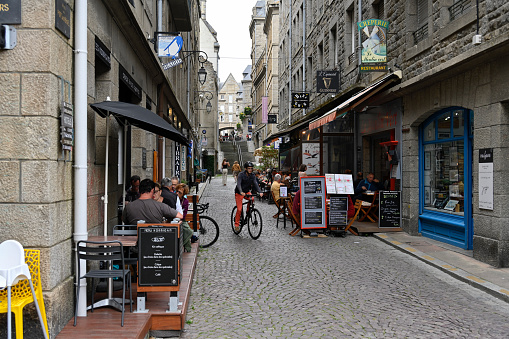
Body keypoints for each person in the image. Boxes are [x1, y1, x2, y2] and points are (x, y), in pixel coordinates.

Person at [234, 161, 263, 231]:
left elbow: (255, 184)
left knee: (252, 198)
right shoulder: (241, 174)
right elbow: (239, 184)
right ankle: (236, 224)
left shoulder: (252, 175)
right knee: (239, 209)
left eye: (251, 168)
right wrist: (241, 191)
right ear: (246, 169)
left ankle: (248, 211)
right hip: (239, 192)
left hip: (246, 191)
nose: (250, 169)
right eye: (249, 168)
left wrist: (260, 192)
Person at [176, 184, 193, 252]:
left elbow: (184, 214)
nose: (177, 193)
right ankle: (187, 247)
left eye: (179, 192)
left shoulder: (185, 201)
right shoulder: (173, 198)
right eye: (176, 191)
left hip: (181, 219)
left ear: (183, 194)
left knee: (188, 231)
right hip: (172, 218)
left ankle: (183, 245)